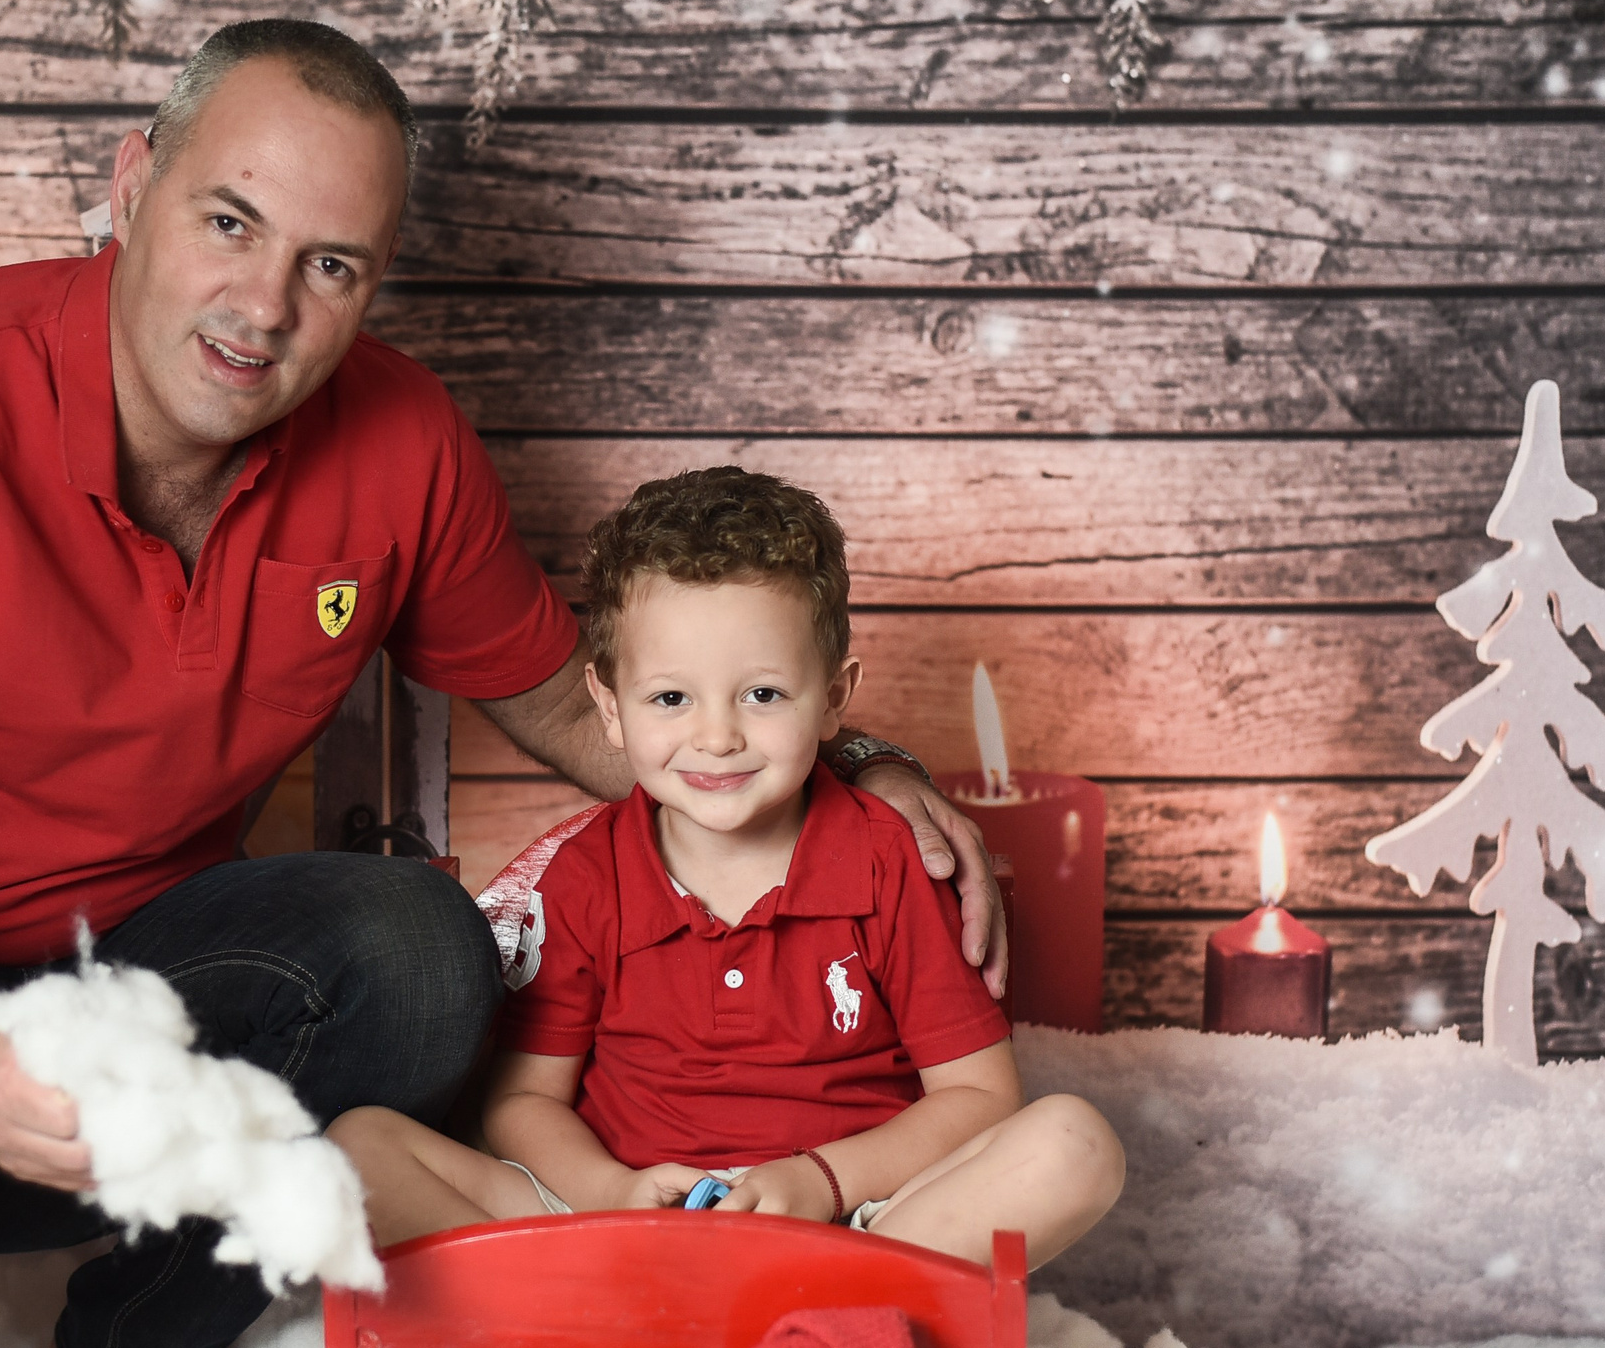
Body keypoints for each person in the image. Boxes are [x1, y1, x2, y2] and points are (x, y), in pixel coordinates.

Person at [0, 21, 1005, 1348]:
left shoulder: (398, 441)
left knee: (426, 953)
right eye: (230, 222)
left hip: (122, 987)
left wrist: (853, 763)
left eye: (332, 266)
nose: (265, 307)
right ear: (133, 185)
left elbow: (571, 701)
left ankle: (119, 1342)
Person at [329, 468, 1124, 1269]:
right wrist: (609, 1190)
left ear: (833, 698)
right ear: (609, 707)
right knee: (360, 1148)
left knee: (1076, 1143)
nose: (717, 738)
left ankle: (815, 1316)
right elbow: (523, 1101)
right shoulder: (582, 878)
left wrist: (821, 1181)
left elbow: (981, 1096)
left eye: (763, 695)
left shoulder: (890, 863)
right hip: (619, 1225)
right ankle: (611, 1315)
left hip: (848, 1225)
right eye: (671, 699)